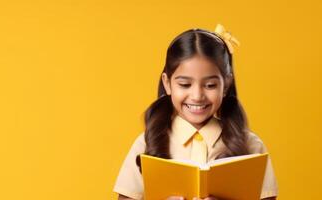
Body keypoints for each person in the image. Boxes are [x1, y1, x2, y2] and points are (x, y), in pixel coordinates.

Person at [113, 24, 278, 200]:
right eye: (184, 84)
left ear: (226, 84)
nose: (197, 96)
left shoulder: (251, 146)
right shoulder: (146, 144)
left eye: (210, 85)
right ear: (167, 83)